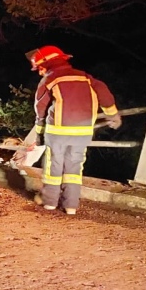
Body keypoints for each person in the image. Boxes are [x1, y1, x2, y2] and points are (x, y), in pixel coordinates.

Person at [21, 45, 120, 215]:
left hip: (58, 131)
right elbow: (103, 92)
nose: (39, 72)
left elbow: (41, 109)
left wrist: (39, 135)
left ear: (48, 64)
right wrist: (113, 114)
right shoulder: (85, 77)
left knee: (54, 167)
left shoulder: (49, 80)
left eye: (40, 68)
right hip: (83, 132)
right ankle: (71, 206)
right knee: (75, 168)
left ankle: (50, 202)